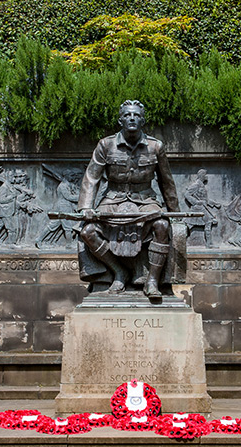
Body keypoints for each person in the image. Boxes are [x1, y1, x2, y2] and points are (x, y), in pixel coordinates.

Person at [77, 100, 180, 298]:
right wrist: (85, 208)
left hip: (145, 200)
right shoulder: (106, 145)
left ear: (143, 120)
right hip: (113, 201)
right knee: (88, 231)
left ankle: (151, 281)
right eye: (127, 115)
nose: (131, 118)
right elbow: (91, 177)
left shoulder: (155, 146)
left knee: (162, 226)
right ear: (120, 120)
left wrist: (174, 212)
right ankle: (118, 271)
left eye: (136, 115)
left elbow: (166, 181)